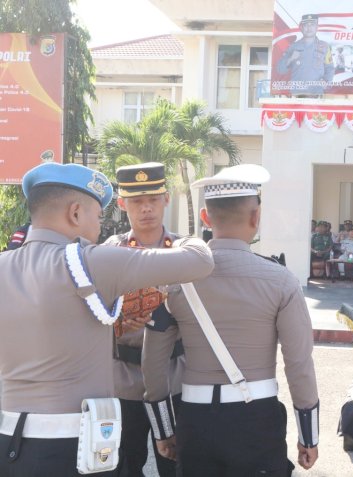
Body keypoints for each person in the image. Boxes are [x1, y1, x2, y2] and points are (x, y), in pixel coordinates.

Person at [0, 163, 214, 477]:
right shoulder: (91, 261)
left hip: (9, 440)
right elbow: (200, 260)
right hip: (76, 446)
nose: (100, 227)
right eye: (98, 216)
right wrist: (189, 240)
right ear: (75, 213)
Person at [141, 164, 319, 476]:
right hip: (256, 419)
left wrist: (163, 430)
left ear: (206, 218)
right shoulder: (281, 281)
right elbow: (299, 364)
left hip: (195, 419)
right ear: (256, 217)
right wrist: (309, 435)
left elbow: (152, 363)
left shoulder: (173, 281)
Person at [102, 162, 183, 477]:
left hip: (173, 378)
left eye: (152, 198)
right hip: (124, 381)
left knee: (176, 465)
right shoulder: (109, 252)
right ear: (123, 204)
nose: (145, 208)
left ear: (166, 198)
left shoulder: (184, 251)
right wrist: (116, 320)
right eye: (136, 201)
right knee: (124, 465)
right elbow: (89, 314)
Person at [276, 13, 334, 95]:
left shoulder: (324, 46)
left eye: (312, 25)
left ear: (317, 27)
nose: (309, 28)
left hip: (316, 93)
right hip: (296, 94)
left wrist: (326, 82)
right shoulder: (293, 46)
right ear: (302, 28)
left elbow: (330, 68)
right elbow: (280, 70)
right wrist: (290, 59)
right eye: (306, 25)